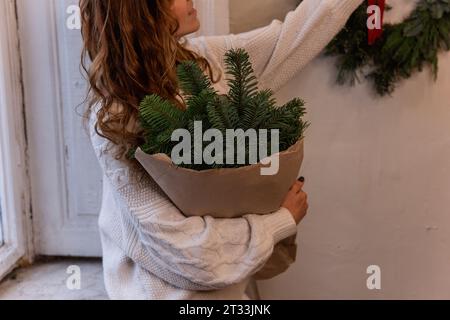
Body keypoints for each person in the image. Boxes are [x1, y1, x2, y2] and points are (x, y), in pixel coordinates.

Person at [80, 0, 363, 299]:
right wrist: (280, 221)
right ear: (143, 13)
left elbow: (293, 37)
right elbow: (183, 252)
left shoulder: (206, 61)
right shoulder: (116, 117)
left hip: (228, 289)